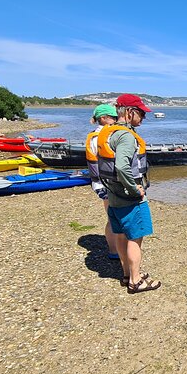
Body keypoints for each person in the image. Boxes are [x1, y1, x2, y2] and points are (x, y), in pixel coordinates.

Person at [96, 94, 161, 293]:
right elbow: (123, 167)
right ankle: (136, 280)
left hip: (114, 196)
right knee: (135, 238)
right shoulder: (126, 136)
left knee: (122, 236)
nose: (143, 118)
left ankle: (127, 274)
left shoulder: (109, 132)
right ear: (130, 112)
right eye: (141, 113)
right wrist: (135, 189)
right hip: (130, 198)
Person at [86, 104, 120, 260]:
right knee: (116, 217)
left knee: (110, 216)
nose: (116, 120)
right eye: (113, 117)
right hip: (109, 183)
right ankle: (117, 251)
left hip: (98, 183)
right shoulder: (107, 135)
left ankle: (113, 250)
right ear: (103, 118)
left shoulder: (92, 136)